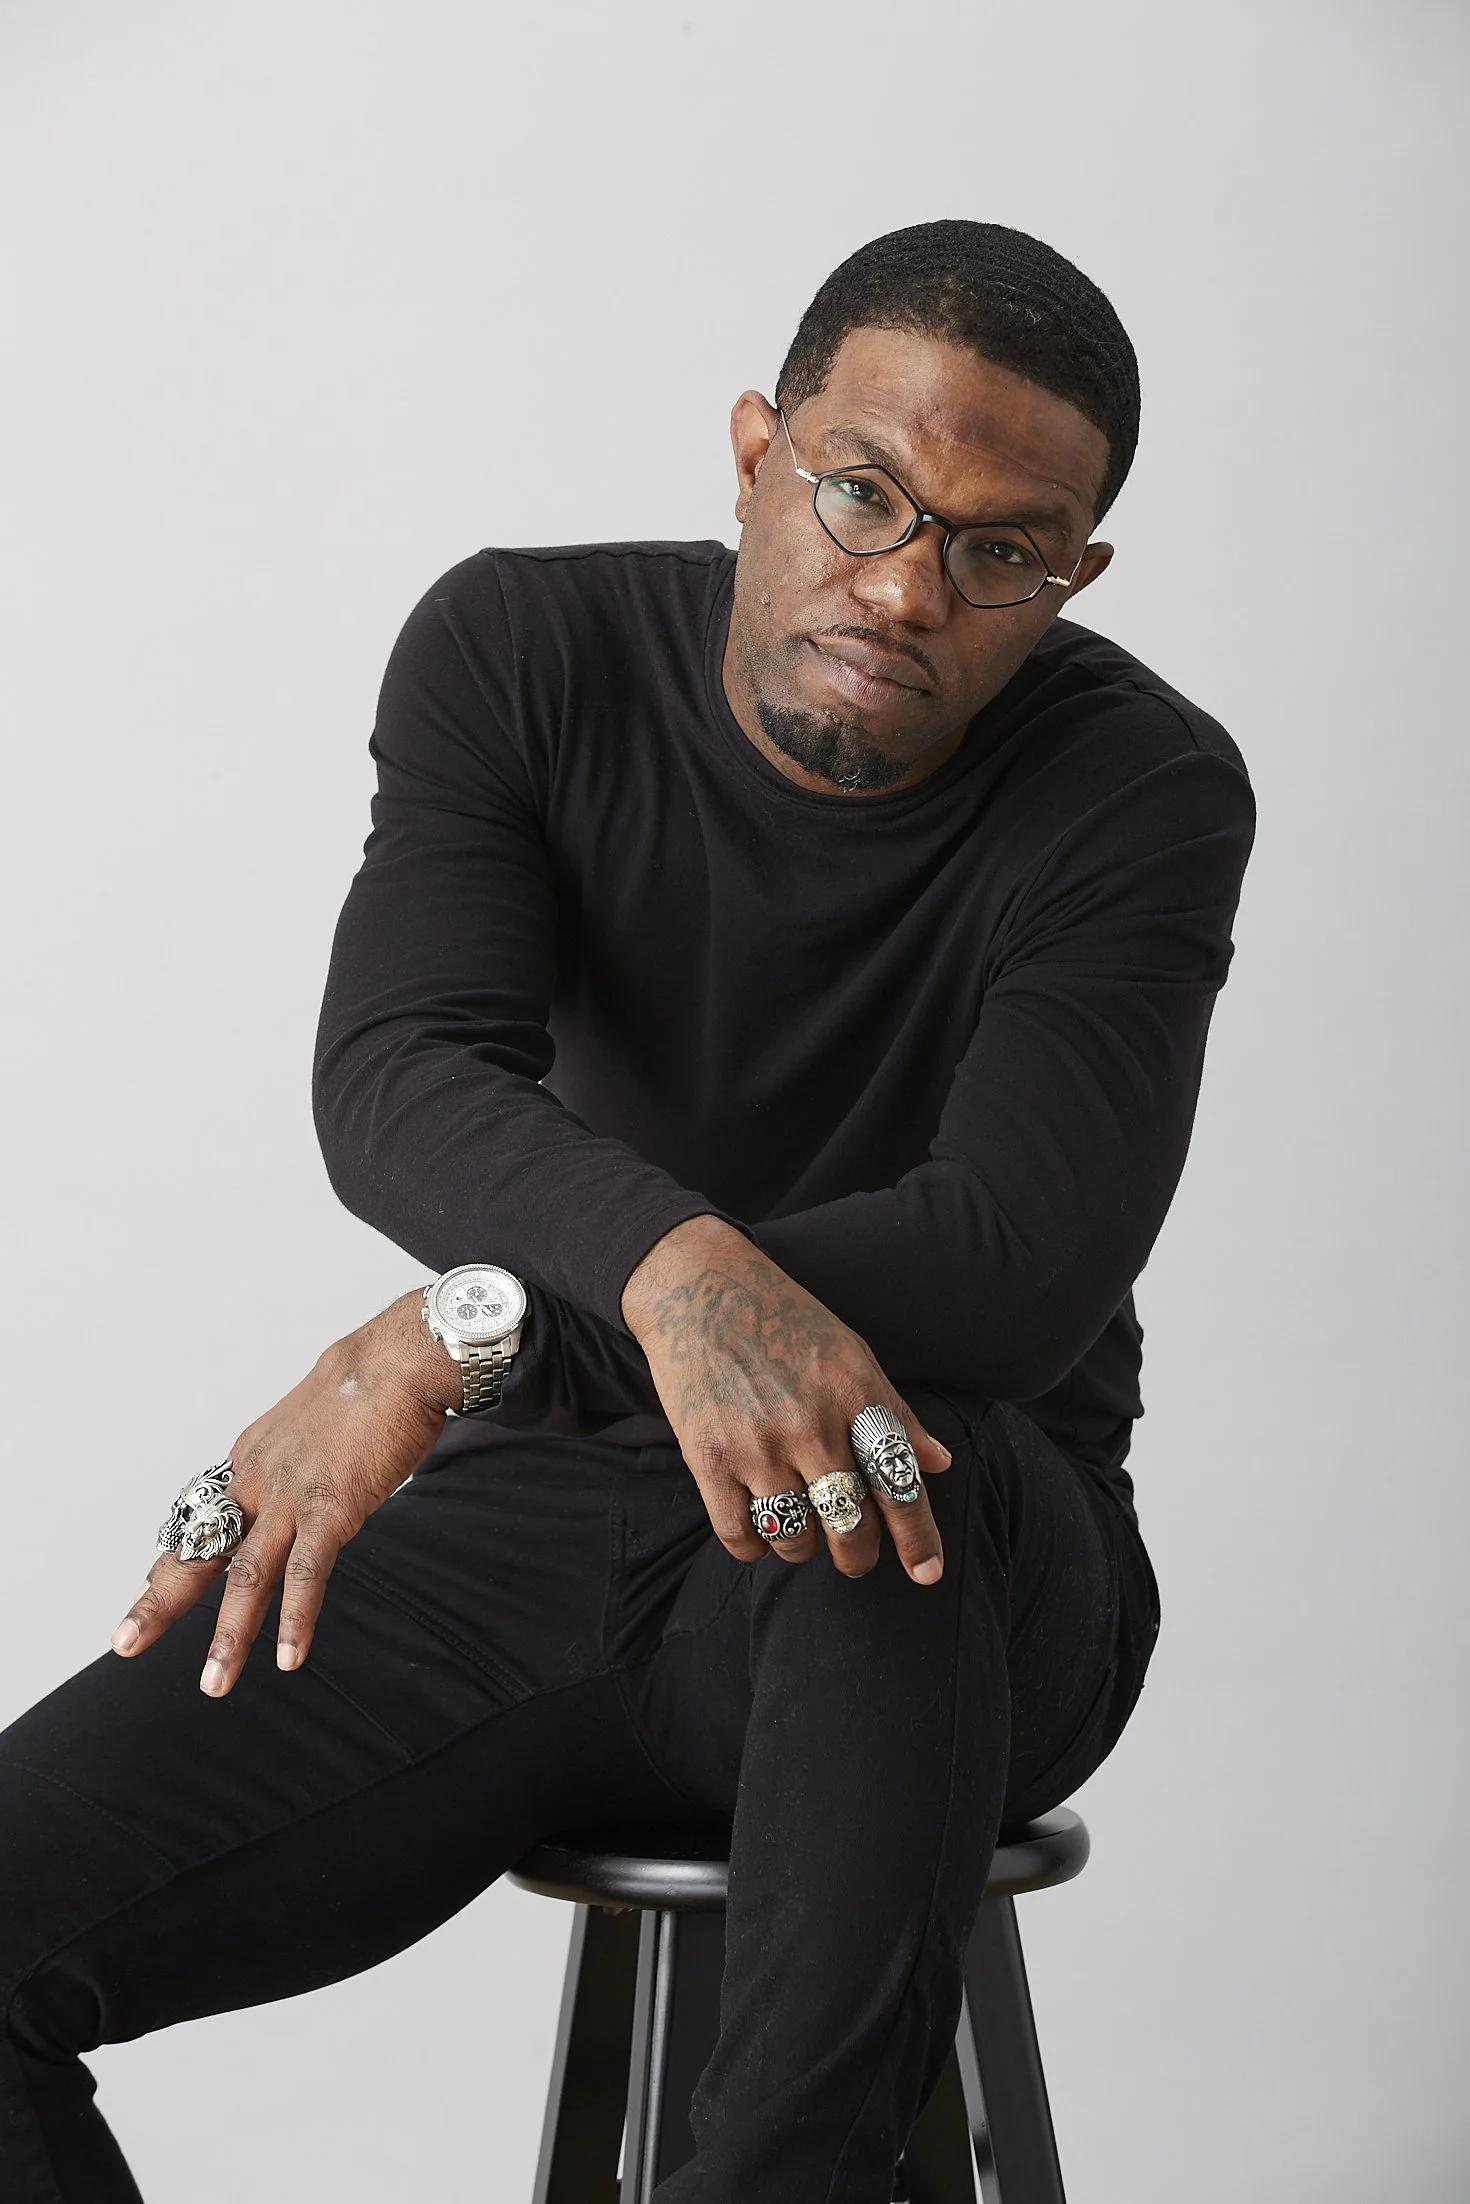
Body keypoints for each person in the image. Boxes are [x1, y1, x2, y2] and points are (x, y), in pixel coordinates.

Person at [0, 219, 1254, 2203]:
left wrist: (454, 1338)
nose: (905, 586)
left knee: (866, 1461)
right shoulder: (523, 651)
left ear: (1071, 576)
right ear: (755, 452)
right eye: (862, 493)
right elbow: (401, 1067)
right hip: (554, 1523)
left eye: (1000, 551)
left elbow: (1012, 1264)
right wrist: (663, 1288)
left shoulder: (1142, 788)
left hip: (959, 1560)